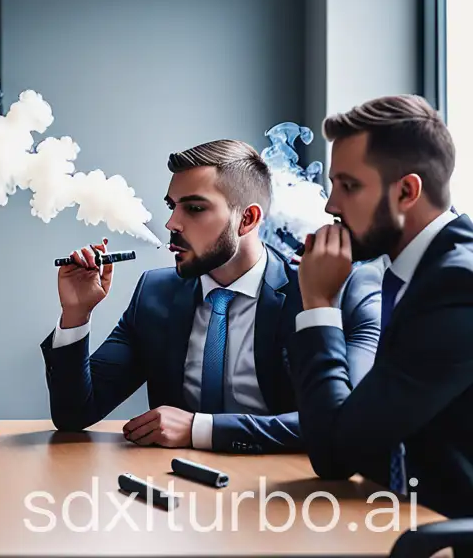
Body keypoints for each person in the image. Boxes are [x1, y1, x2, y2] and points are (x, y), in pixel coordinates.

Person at [43, 139, 380, 454]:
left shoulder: (325, 293)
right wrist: (77, 314)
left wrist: (200, 429)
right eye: (172, 207)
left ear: (247, 219)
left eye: (194, 208)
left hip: (283, 498)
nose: (172, 223)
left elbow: (344, 421)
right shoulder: (154, 294)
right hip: (173, 495)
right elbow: (75, 414)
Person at [293, 95, 473, 517]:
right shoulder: (421, 271)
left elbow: (335, 454)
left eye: (349, 186)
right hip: (400, 514)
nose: (330, 205)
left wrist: (319, 303)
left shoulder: (457, 284)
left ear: (407, 191)